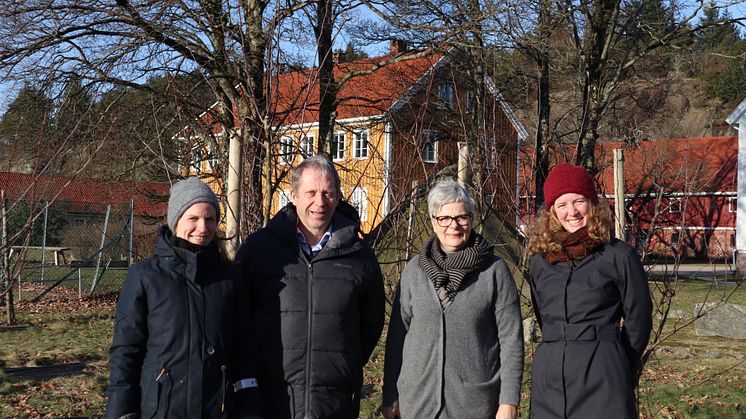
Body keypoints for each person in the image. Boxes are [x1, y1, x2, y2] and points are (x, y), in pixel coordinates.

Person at [235, 155, 385, 419]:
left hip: (334, 403)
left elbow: (370, 325)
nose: (320, 202)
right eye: (311, 192)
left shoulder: (359, 256)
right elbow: (238, 319)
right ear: (293, 195)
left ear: (338, 198)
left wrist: (341, 366)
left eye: (328, 193)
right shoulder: (260, 250)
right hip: (271, 400)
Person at [106, 177, 260, 419]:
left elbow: (244, 352)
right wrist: (121, 412)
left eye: (210, 219)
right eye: (193, 219)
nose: (203, 228)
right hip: (161, 410)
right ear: (175, 221)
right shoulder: (145, 277)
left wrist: (250, 410)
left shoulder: (231, 280)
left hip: (217, 410)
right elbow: (126, 352)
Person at [382, 179, 524, 419]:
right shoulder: (414, 271)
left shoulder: (494, 270)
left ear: (472, 219)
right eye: (444, 218)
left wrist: (509, 401)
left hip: (475, 404)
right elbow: (397, 337)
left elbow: (511, 339)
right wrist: (390, 395)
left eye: (461, 217)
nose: (454, 226)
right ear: (433, 222)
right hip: (418, 404)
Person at [525, 163, 652, 418]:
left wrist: (617, 361)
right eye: (561, 205)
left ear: (592, 204)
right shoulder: (540, 262)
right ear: (552, 213)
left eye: (578, 201)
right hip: (549, 376)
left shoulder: (618, 255)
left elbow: (639, 320)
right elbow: (544, 316)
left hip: (602, 372)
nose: (571, 212)